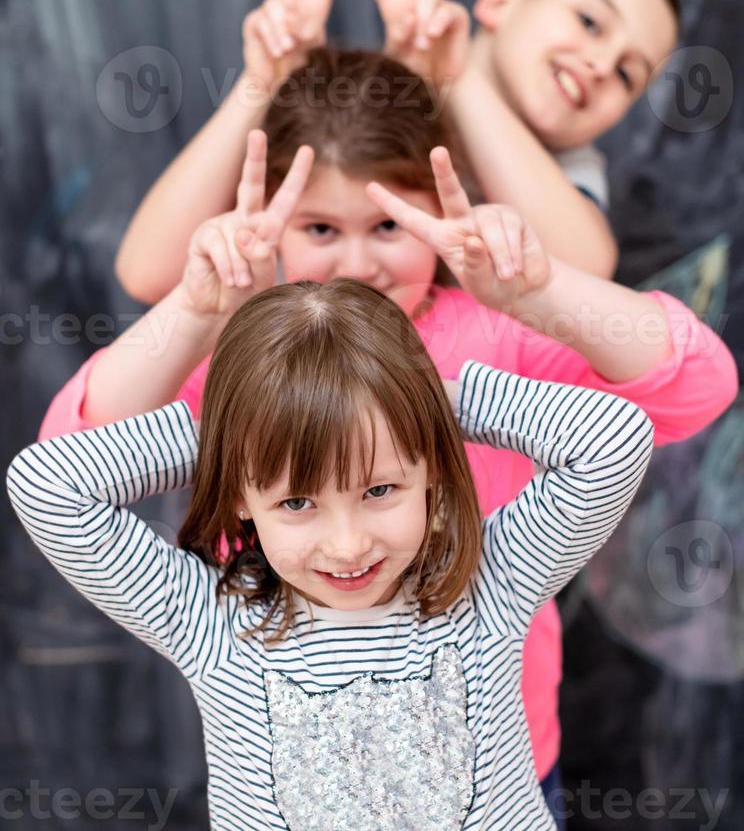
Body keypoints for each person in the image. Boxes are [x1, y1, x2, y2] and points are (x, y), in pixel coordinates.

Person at [38, 75, 738, 828]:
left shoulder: (490, 572)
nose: (357, 265)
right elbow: (65, 466)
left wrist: (434, 386)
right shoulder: (243, 375)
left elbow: (695, 388)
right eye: (319, 231)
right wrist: (245, 406)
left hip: (518, 750)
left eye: (387, 228)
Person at [9, 276, 656, 830]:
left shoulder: (491, 583)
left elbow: (614, 441)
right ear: (241, 495)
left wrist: (426, 406)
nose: (348, 544)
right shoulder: (208, 620)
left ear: (428, 468)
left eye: (379, 490)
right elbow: (47, 486)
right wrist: (243, 429)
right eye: (297, 503)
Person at [112, 0, 678, 304]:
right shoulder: (358, 108)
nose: (602, 64)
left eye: (629, 74)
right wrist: (264, 84)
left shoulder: (568, 171)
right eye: (589, 22)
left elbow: (582, 271)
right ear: (501, 2)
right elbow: (146, 272)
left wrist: (457, 79)